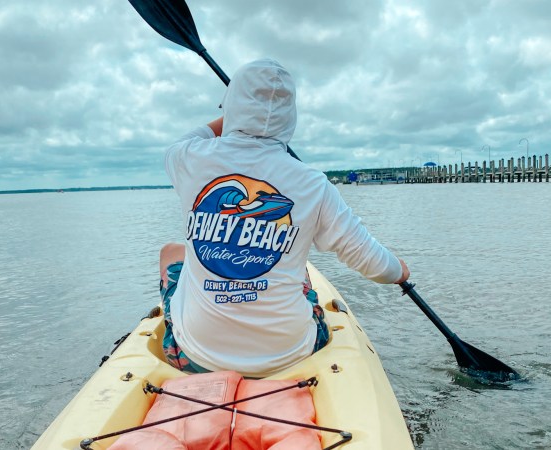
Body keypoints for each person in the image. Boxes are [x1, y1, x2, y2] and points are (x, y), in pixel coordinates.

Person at [159, 58, 409, 378]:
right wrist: (399, 270)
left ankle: (185, 341)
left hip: (198, 356)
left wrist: (237, 111)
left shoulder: (189, 159)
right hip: (289, 355)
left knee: (170, 252)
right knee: (299, 268)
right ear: (291, 116)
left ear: (231, 107)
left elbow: (188, 138)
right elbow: (375, 264)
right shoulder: (313, 183)